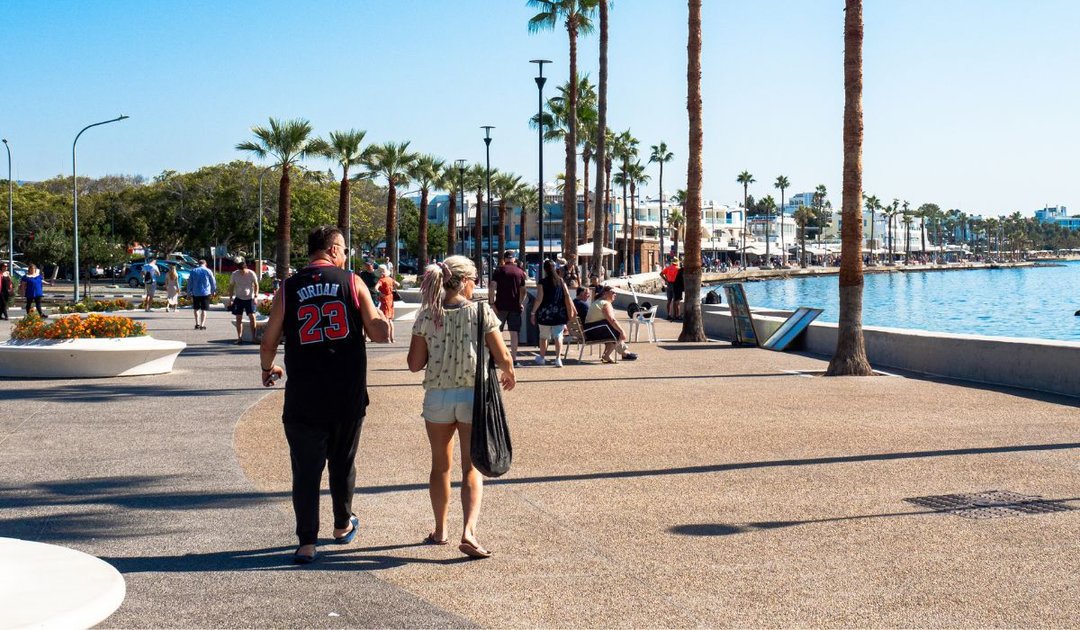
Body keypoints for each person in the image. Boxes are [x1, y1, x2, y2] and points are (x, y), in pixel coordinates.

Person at [260, 226, 390, 565]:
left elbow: (269, 338)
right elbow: (376, 330)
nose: (346, 255)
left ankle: (306, 543)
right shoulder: (351, 282)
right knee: (343, 462)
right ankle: (342, 524)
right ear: (333, 250)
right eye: (344, 249)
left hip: (303, 395)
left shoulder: (289, 289)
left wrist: (267, 367)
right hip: (346, 392)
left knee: (305, 470)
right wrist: (382, 326)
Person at [407, 255, 515, 559]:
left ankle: (440, 530)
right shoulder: (481, 312)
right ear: (466, 281)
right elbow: (503, 355)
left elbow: (415, 364)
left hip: (438, 398)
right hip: (472, 397)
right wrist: (509, 372)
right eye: (475, 279)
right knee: (471, 466)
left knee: (440, 466)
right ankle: (468, 532)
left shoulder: (428, 314)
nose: (476, 285)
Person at [529, 259, 575, 368]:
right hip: (559, 313)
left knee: (544, 337)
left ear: (545, 269)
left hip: (545, 313)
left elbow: (539, 299)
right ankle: (558, 358)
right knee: (558, 336)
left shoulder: (542, 282)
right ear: (555, 268)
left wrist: (533, 312)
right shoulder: (561, 281)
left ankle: (542, 357)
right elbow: (567, 296)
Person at [488, 250, 527, 366]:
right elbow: (523, 290)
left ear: (504, 259)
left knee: (496, 332)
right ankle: (514, 359)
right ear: (514, 259)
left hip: (500, 306)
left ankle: (497, 358)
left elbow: (492, 287)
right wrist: (520, 302)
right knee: (514, 333)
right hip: (515, 306)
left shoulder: (499, 270)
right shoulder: (520, 272)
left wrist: (491, 302)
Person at [583, 285, 638, 363]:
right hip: (593, 332)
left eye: (615, 293)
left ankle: (623, 352)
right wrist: (622, 332)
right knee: (617, 331)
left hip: (590, 331)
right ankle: (608, 355)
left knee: (612, 329)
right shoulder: (605, 303)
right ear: (605, 293)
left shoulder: (598, 302)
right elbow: (612, 320)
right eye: (612, 292)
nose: (615, 294)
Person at [229, 258, 260, 345]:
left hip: (249, 299)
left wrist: (256, 296)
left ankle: (254, 337)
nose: (242, 272)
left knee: (252, 317)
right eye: (240, 270)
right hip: (239, 298)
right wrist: (230, 298)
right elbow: (231, 286)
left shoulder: (251, 273)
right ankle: (239, 338)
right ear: (238, 269)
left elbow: (256, 285)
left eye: (244, 270)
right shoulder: (235, 274)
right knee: (238, 318)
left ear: (246, 267)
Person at [187, 259, 216, 330]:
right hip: (205, 292)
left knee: (196, 308)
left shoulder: (193, 271)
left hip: (196, 292)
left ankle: (197, 324)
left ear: (198, 264)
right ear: (205, 264)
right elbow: (213, 281)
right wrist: (213, 291)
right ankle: (202, 325)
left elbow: (190, 282)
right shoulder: (208, 271)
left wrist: (188, 292)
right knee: (204, 309)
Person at [375, 265, 399, 341]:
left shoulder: (381, 280)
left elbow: (376, 288)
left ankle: (387, 338)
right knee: (390, 320)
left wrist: (380, 293)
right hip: (390, 298)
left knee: (386, 319)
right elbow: (398, 284)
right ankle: (392, 338)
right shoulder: (390, 279)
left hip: (384, 299)